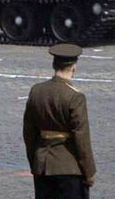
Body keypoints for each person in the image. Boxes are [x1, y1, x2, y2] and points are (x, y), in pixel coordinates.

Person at [23, 44, 96, 199]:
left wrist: (35, 162)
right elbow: (82, 139)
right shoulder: (75, 97)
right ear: (74, 67)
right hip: (69, 167)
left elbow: (29, 134)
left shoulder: (36, 91)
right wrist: (89, 172)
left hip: (42, 165)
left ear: (54, 65)